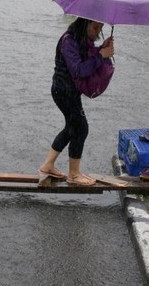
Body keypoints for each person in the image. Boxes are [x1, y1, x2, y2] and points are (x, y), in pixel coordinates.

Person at [38, 17, 114, 185]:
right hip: (63, 92)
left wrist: (103, 48)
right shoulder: (69, 41)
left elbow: (87, 58)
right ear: (85, 24)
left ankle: (47, 165)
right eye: (95, 27)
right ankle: (73, 174)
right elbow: (79, 70)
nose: (97, 32)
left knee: (72, 128)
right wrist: (101, 55)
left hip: (69, 92)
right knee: (81, 128)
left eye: (100, 28)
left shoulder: (81, 40)